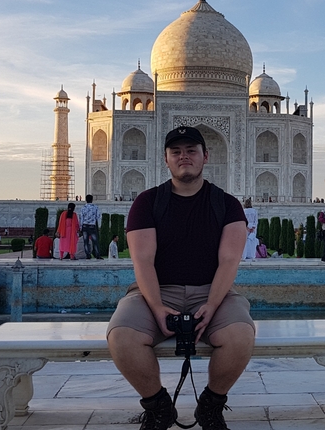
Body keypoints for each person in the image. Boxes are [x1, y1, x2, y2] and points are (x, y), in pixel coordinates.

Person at [107, 126, 254, 430]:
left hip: (213, 291)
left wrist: (212, 305)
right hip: (155, 291)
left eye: (191, 151)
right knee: (121, 336)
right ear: (166, 159)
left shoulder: (227, 204)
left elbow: (229, 261)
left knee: (241, 336)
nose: (183, 157)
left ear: (205, 156)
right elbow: (143, 261)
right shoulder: (147, 203)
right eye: (176, 152)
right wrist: (158, 306)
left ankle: (211, 406)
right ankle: (158, 406)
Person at [80, 194, 103, 259]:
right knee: (95, 241)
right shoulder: (95, 207)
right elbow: (98, 216)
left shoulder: (83, 208)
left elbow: (81, 218)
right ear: (92, 200)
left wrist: (81, 227)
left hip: (84, 225)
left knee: (86, 241)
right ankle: (97, 255)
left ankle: (88, 255)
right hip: (92, 226)